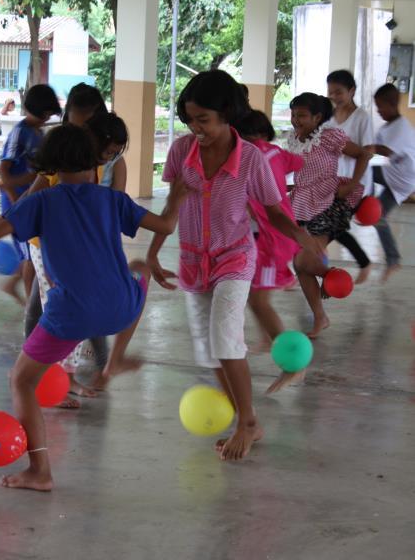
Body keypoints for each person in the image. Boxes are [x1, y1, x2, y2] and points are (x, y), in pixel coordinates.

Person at [0, 123, 189, 491]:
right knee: (138, 268)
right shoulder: (113, 200)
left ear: (51, 168)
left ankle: (40, 470)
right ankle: (116, 356)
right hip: (122, 308)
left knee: (21, 381)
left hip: (71, 314)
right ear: (94, 165)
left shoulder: (41, 201)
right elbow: (166, 224)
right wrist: (177, 197)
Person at [146, 70, 321, 462]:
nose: (196, 128)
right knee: (210, 353)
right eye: (190, 119)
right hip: (193, 260)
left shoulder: (251, 160)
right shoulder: (180, 152)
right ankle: (250, 422)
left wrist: (299, 236)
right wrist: (156, 251)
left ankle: (246, 421)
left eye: (203, 119)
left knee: (226, 340)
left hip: (235, 258)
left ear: (227, 115)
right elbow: (170, 207)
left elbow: (275, 211)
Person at [26, 111, 130, 402]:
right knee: (59, 312)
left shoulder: (92, 168)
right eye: (108, 152)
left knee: (63, 311)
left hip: (71, 250)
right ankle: (58, 383)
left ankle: (59, 379)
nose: (109, 159)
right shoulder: (63, 166)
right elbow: (31, 200)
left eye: (114, 155)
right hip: (46, 247)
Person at [287, 93, 371, 338]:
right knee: (302, 265)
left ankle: (331, 277)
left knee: (303, 262)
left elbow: (363, 154)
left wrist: (351, 184)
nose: (295, 120)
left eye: (301, 115)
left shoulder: (329, 137)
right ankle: (320, 316)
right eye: (293, 115)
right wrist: (294, 187)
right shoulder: (294, 139)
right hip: (303, 204)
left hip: (330, 203)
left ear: (318, 117)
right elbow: (303, 173)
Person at [234, 109, 305, 392]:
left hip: (271, 240)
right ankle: (267, 338)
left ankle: (294, 366)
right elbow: (300, 162)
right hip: (282, 234)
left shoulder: (248, 157)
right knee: (255, 295)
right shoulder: (276, 152)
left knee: (259, 301)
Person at [0, 83, 61, 304]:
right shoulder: (19, 133)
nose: (47, 117)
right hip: (18, 204)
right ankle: (31, 306)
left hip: (32, 202)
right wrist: (16, 204)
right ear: (41, 111)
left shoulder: (39, 133)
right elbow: (4, 169)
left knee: (33, 253)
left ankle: (14, 286)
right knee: (29, 257)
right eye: (47, 113)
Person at [327, 69, 373, 283]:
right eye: (331, 93)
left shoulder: (362, 118)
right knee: (329, 227)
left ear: (351, 91)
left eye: (339, 92)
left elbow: (368, 151)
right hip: (331, 181)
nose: (334, 97)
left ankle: (309, 263)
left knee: (329, 227)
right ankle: (362, 262)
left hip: (353, 183)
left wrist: (352, 185)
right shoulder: (328, 118)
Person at [371, 83, 415, 282]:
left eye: (381, 106)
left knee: (363, 171)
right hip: (395, 177)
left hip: (402, 178)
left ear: (392, 104)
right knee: (378, 218)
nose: (379, 111)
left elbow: (386, 151)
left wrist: (364, 147)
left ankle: (361, 201)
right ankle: (393, 259)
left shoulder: (402, 127)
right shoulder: (388, 126)